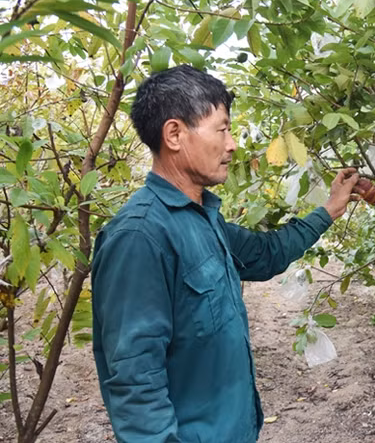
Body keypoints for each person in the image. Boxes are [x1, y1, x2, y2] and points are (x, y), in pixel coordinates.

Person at [91, 65, 358, 442]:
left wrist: (329, 209)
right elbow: (136, 384)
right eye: (222, 129)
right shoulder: (139, 237)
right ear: (174, 134)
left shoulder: (201, 219)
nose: (231, 145)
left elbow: (266, 253)